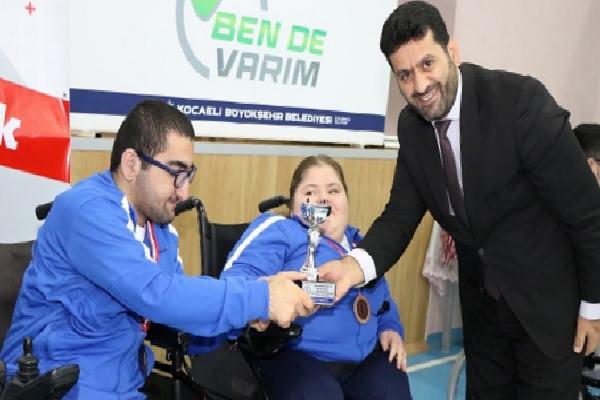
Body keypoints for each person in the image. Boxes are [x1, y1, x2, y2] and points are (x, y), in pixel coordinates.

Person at [318, 2, 600, 399]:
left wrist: (593, 306)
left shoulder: (519, 103)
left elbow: (587, 214)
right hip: (483, 314)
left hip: (548, 311)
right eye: (404, 74)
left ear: (453, 51)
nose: (419, 85)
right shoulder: (412, 127)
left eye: (427, 64)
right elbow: (399, 216)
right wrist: (353, 266)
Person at [0, 100, 314, 399]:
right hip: (58, 386)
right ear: (131, 164)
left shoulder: (159, 229)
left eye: (188, 175)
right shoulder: (85, 211)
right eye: (176, 173)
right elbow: (157, 294)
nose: (184, 191)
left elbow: (178, 316)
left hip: (124, 388)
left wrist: (245, 319)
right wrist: (261, 297)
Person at [220, 155, 411, 400]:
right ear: (293, 206)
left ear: (346, 200)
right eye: (310, 192)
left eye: (333, 190)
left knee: (393, 388)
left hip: (364, 360)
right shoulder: (280, 229)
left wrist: (390, 327)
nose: (323, 198)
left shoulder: (363, 247)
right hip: (295, 355)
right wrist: (270, 293)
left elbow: (384, 301)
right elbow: (235, 282)